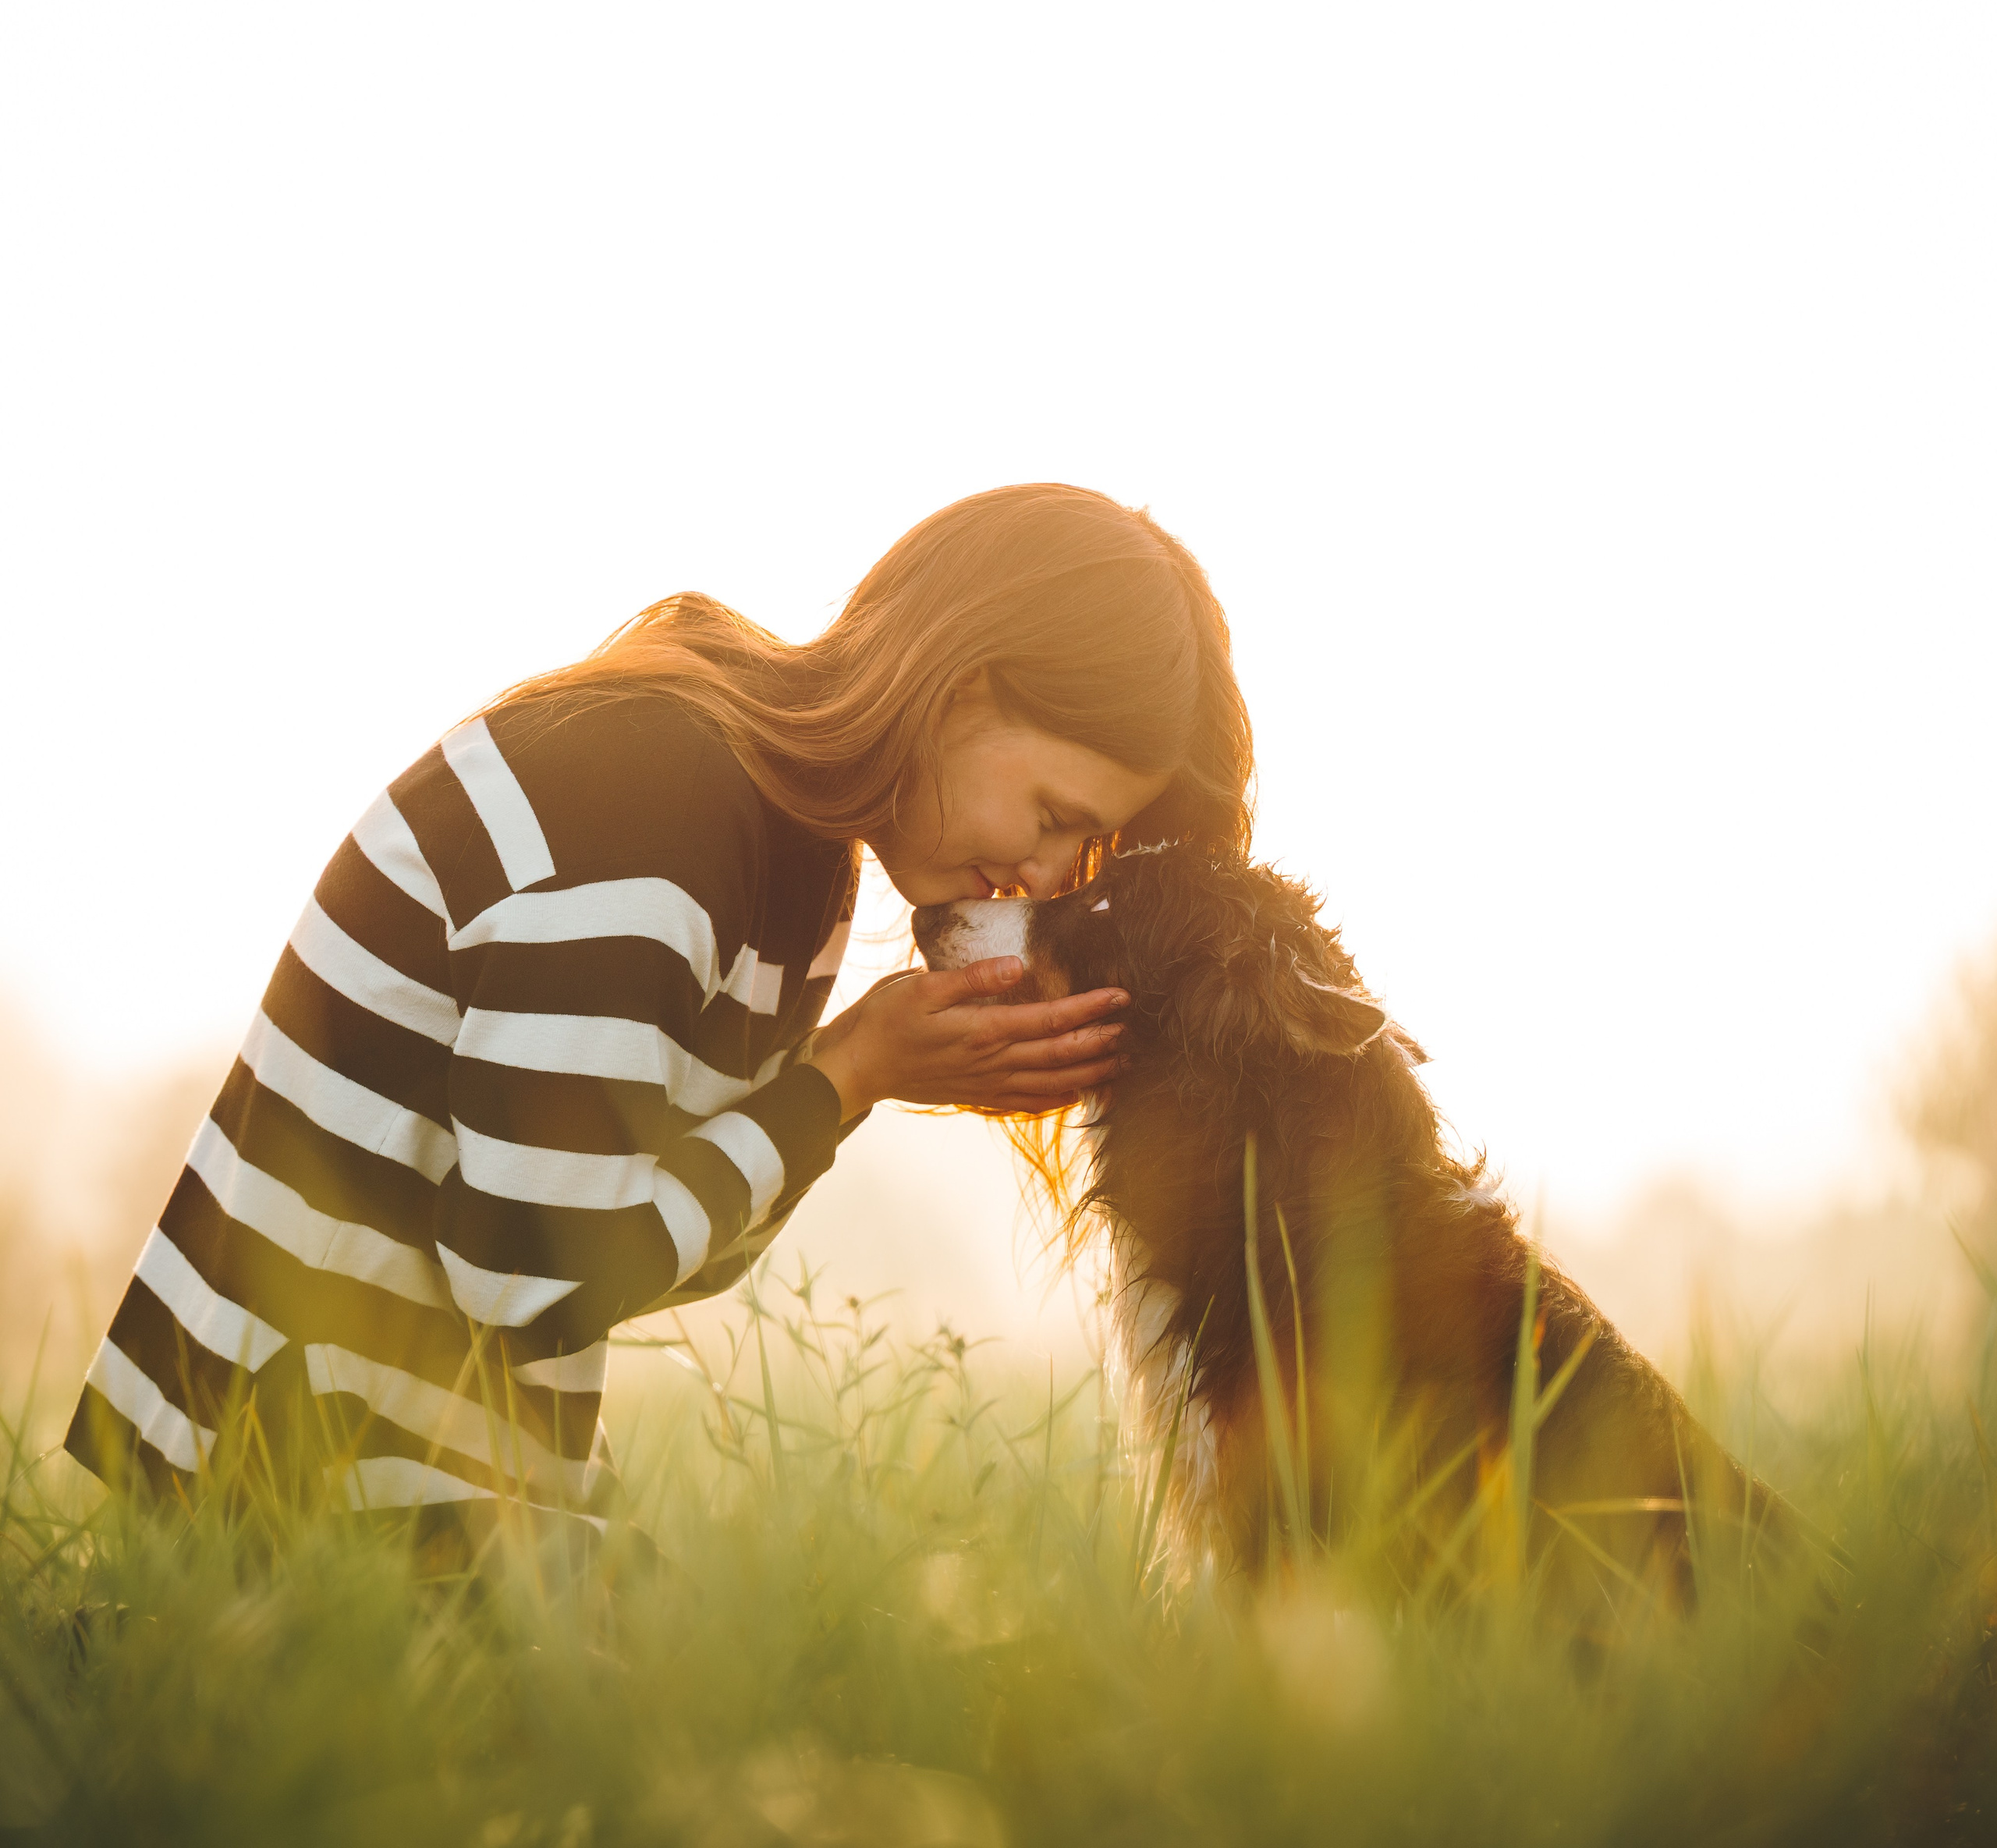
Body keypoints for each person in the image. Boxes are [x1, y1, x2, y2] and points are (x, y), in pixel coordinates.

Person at [65, 483, 1254, 1531]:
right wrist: (845, 1074)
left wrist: (844, 1090)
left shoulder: (794, 857)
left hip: (436, 1484)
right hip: (290, 1493)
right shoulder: (655, 793)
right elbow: (531, 1276)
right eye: (1053, 817)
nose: (1045, 877)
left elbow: (648, 1255)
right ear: (962, 691)